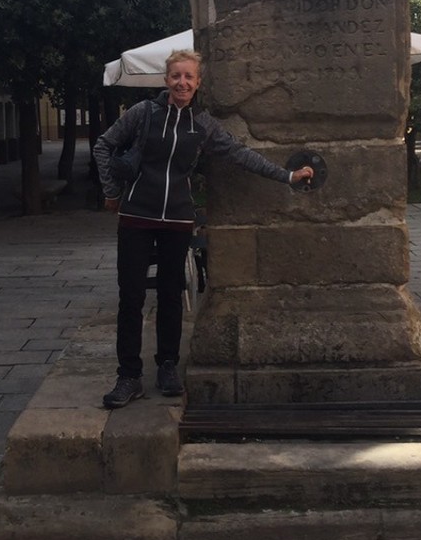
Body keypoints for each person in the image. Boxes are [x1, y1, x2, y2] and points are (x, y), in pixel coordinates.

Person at [93, 48, 314, 409]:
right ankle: (128, 376)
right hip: (136, 217)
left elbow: (242, 155)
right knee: (131, 297)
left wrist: (288, 175)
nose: (182, 82)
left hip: (178, 220)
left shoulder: (203, 124)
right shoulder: (143, 114)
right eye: (176, 76)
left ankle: (167, 366)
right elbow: (104, 145)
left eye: (189, 77)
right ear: (166, 80)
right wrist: (112, 191)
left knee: (170, 294)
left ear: (198, 83)